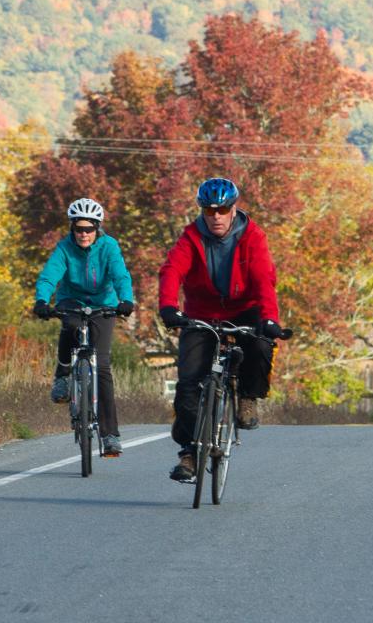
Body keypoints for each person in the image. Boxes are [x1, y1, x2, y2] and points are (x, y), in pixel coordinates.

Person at [158, 177, 284, 483]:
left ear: (233, 208)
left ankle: (248, 398)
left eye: (223, 209)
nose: (216, 216)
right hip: (202, 313)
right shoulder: (191, 237)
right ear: (202, 210)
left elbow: (264, 278)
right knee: (188, 384)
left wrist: (269, 319)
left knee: (261, 344)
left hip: (245, 308)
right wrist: (168, 307)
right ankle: (188, 452)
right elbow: (172, 269)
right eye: (210, 209)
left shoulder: (252, 236)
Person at [32, 197, 135, 457]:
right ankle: (63, 375)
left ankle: (110, 435)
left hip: (104, 304)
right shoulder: (65, 247)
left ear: (97, 228)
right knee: (70, 325)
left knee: (101, 367)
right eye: (79, 229)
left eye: (89, 229)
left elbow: (120, 274)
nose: (84, 234)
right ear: (72, 228)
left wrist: (126, 300)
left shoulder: (109, 246)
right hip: (72, 300)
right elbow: (50, 274)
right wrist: (42, 300)